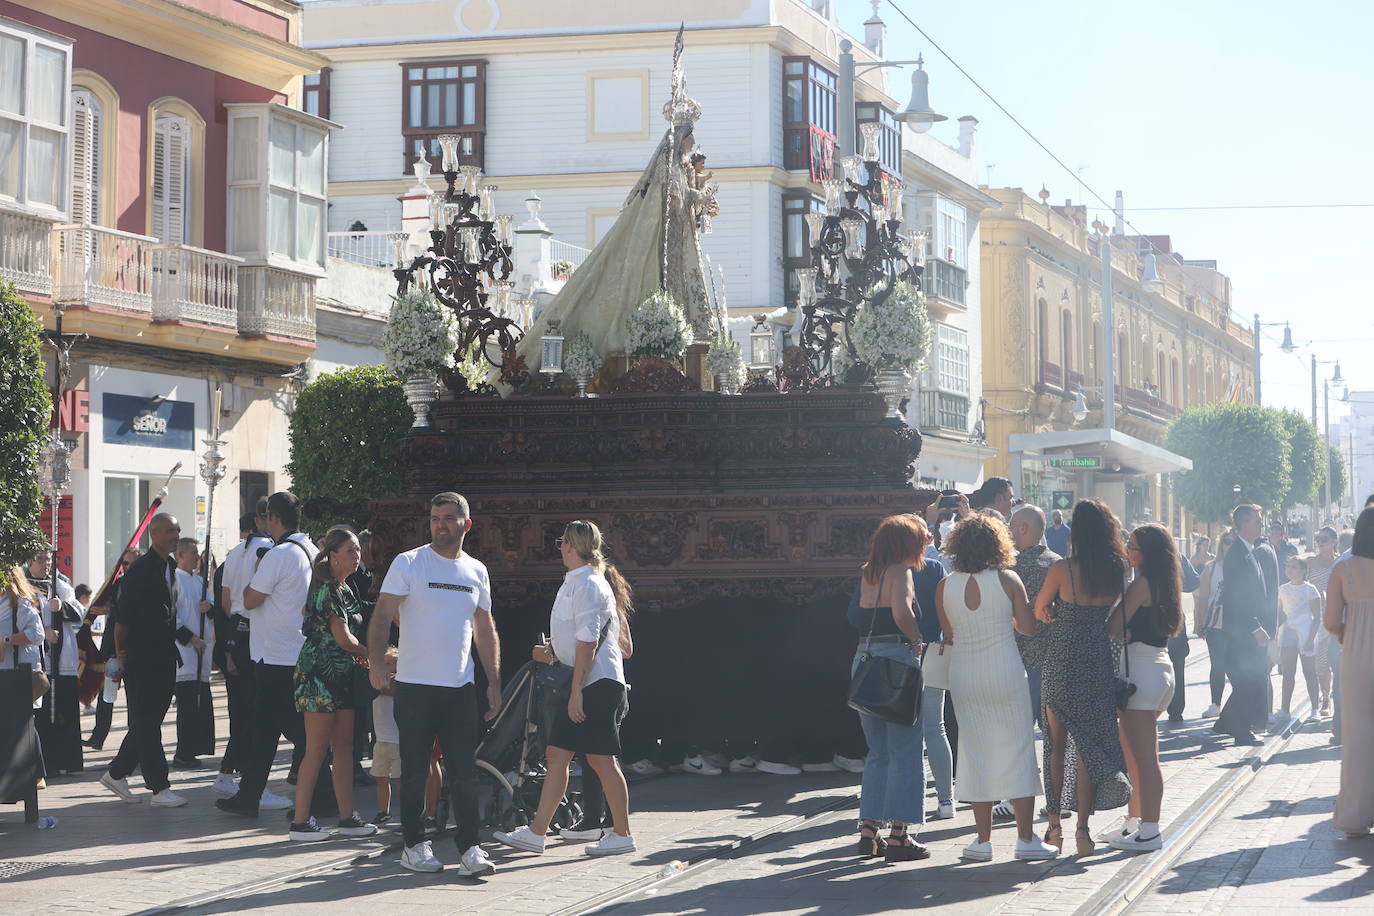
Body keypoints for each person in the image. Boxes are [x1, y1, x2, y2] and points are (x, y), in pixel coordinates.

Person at [369, 492, 502, 877]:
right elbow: (381, 617)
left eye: (448, 518)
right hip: (414, 687)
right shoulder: (409, 562)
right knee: (414, 770)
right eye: (434, 518)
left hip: (459, 688)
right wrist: (376, 663)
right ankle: (413, 844)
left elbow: (485, 628)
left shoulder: (476, 570)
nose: (440, 524)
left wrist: (493, 682)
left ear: (466, 524)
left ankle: (471, 848)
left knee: (463, 771)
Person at [495, 519, 639, 858]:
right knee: (557, 755)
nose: (559, 547)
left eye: (561, 541)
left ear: (569, 546)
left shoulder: (588, 583)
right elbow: (577, 640)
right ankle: (536, 833)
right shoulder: (576, 581)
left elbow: (588, 644)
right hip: (585, 680)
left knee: (601, 759)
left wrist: (576, 693)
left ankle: (622, 833)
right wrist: (553, 652)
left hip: (595, 683)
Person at [938, 513, 1059, 863]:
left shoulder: (944, 586)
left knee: (975, 752)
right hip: (1005, 670)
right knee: (1018, 750)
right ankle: (1025, 839)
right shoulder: (1008, 580)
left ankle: (981, 841)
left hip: (965, 675)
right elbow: (1028, 628)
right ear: (998, 544)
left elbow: (950, 634)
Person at [216, 492, 325, 817]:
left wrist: (258, 572)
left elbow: (249, 599)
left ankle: (324, 795)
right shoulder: (311, 550)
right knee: (263, 730)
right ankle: (248, 796)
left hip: (277, 656)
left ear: (273, 520)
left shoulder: (279, 555)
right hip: (295, 651)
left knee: (298, 732)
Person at [1034, 498, 1132, 855]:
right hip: (1095, 660)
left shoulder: (1063, 569)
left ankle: (1054, 827)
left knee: (1056, 747)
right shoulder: (1117, 570)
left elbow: (1039, 610)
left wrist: (1055, 613)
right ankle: (1083, 831)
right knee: (1089, 749)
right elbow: (1115, 619)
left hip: (1061, 659)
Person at [833, 515, 933, 861]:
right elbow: (903, 611)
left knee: (877, 753)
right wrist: (917, 640)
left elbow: (854, 617)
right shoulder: (900, 572)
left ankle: (868, 831)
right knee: (906, 750)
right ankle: (900, 837)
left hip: (864, 658)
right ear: (907, 544)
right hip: (897, 657)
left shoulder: (869, 571)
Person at [288, 528, 379, 842]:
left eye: (358, 550)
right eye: (351, 551)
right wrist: (373, 655)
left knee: (345, 747)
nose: (357, 556)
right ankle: (300, 822)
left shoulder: (345, 588)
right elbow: (343, 638)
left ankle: (347, 816)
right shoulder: (328, 589)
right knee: (316, 749)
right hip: (319, 676)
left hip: (341, 676)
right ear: (332, 555)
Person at [100, 513, 188, 808]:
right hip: (139, 658)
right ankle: (159, 788)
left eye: (177, 530)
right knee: (147, 723)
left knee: (148, 721)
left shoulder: (170, 567)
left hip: (163, 656)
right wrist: (120, 656)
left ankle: (116, 772)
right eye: (169, 531)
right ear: (154, 534)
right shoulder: (140, 570)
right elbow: (121, 620)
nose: (175, 535)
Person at [1111, 524, 1182, 852]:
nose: (1128, 549)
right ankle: (1135, 822)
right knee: (1136, 755)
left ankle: (1150, 829)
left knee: (1144, 758)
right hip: (1157, 667)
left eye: (1133, 546)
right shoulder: (1165, 582)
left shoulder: (1141, 584)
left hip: (1140, 672)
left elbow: (1111, 625)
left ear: (1147, 553)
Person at [212, 512, 272, 796]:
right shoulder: (270, 551)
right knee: (258, 711)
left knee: (241, 710)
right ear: (262, 522)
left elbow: (224, 603)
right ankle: (242, 774)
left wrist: (228, 647)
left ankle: (231, 770)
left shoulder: (232, 556)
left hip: (235, 631)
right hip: (257, 634)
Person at [1325, 506, 1374, 838]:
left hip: (1357, 659)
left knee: (1358, 738)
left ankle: (1356, 815)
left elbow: (1330, 622)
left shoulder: (1343, 568)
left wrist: (1351, 633)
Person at [1214, 504, 1279, 747]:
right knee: (1247, 680)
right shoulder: (1238, 554)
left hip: (1248, 630)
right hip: (1242, 633)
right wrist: (1254, 627)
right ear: (1243, 524)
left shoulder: (1248, 549)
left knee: (1251, 680)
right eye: (1256, 520)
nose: (1261, 524)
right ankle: (1241, 731)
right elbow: (1237, 597)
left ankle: (1238, 727)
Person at [27, 549, 85, 777]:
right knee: (41, 714)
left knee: (65, 712)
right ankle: (45, 762)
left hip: (63, 661)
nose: (45, 564)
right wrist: (44, 631)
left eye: (48, 559)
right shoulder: (23, 584)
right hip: (39, 661)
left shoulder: (61, 583)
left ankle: (67, 760)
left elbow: (79, 611)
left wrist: (62, 607)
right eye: (40, 559)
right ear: (30, 560)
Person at [1010, 505, 1061, 733]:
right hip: (1054, 658)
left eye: (1011, 526)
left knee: (1019, 731)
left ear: (1022, 528)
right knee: (1053, 732)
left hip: (1019, 659)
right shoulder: (1058, 563)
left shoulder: (1012, 568)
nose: (1008, 532)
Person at [85, 547, 140, 751]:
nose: (127, 567)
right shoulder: (118, 583)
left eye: (131, 563)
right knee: (106, 693)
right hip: (113, 649)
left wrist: (111, 609)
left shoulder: (142, 584)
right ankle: (98, 737)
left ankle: (133, 741)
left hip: (132, 648)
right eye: (124, 563)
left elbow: (133, 611)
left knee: (135, 698)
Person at [171, 537, 215, 770]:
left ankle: (196, 747)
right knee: (186, 705)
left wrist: (210, 609)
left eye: (198, 553)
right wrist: (190, 638)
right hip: (186, 651)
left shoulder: (200, 582)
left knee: (200, 703)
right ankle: (183, 752)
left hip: (203, 650)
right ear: (180, 556)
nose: (198, 557)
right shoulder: (174, 581)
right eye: (193, 553)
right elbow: (173, 616)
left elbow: (213, 609)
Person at [1194, 531, 1236, 719]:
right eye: (1227, 542)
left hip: (1238, 625)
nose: (1230, 545)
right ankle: (1216, 703)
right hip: (1215, 623)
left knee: (1236, 665)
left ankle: (1240, 700)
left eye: (1234, 542)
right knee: (1217, 664)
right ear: (1221, 544)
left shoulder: (1245, 566)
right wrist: (1200, 622)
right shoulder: (1210, 568)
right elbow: (1202, 598)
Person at [1276, 556, 1321, 721]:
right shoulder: (1282, 589)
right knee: (1288, 673)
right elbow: (1280, 614)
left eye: (1294, 567)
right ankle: (1284, 710)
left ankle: (1315, 708)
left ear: (1303, 570)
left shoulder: (1310, 589)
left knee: (1310, 672)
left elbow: (1317, 617)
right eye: (1288, 566)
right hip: (1288, 633)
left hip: (1305, 633)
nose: (1290, 570)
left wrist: (1310, 639)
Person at [1308, 526, 1340, 719]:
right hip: (1317, 618)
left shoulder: (1340, 562)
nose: (1320, 542)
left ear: (1334, 541)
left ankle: (1337, 698)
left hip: (1337, 617)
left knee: (1336, 660)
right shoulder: (1310, 562)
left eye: (1325, 539)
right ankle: (1325, 697)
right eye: (1318, 539)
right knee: (1320, 663)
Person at [372, 646, 401, 826]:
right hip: (381, 741)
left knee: (400, 779)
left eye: (389, 663)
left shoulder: (399, 684)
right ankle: (384, 811)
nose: (386, 667)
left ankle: (410, 812)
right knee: (381, 778)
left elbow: (389, 689)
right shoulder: (376, 683)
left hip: (398, 742)